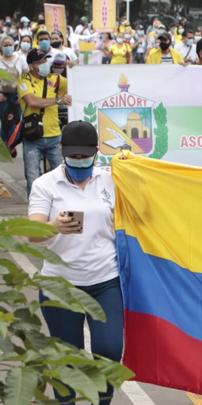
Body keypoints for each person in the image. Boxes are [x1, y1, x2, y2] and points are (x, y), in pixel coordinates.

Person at [28, 121, 124, 405]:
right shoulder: (45, 184)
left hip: (106, 282)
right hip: (60, 286)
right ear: (61, 151)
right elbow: (30, 232)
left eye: (85, 156)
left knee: (108, 351)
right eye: (73, 156)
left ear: (97, 152)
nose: (79, 161)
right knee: (67, 359)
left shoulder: (111, 180)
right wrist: (54, 226)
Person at [18, 49, 72, 195]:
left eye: (45, 61)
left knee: (62, 177)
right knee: (33, 178)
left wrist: (72, 69)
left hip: (54, 135)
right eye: (40, 62)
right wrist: (57, 100)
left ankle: (60, 209)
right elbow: (31, 101)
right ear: (31, 66)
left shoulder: (55, 79)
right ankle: (35, 212)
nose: (44, 64)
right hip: (32, 136)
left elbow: (77, 83)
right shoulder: (24, 79)